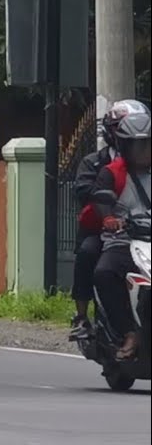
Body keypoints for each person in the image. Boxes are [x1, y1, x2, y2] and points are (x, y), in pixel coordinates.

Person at [71, 99, 150, 338]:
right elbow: (84, 192)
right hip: (106, 229)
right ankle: (82, 316)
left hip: (146, 234)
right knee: (89, 254)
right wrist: (108, 212)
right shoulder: (98, 163)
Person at [89, 108, 151, 361]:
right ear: (125, 146)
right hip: (124, 242)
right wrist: (110, 218)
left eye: (147, 145)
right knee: (104, 273)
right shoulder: (112, 173)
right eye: (137, 146)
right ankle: (129, 332)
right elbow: (99, 199)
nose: (143, 151)